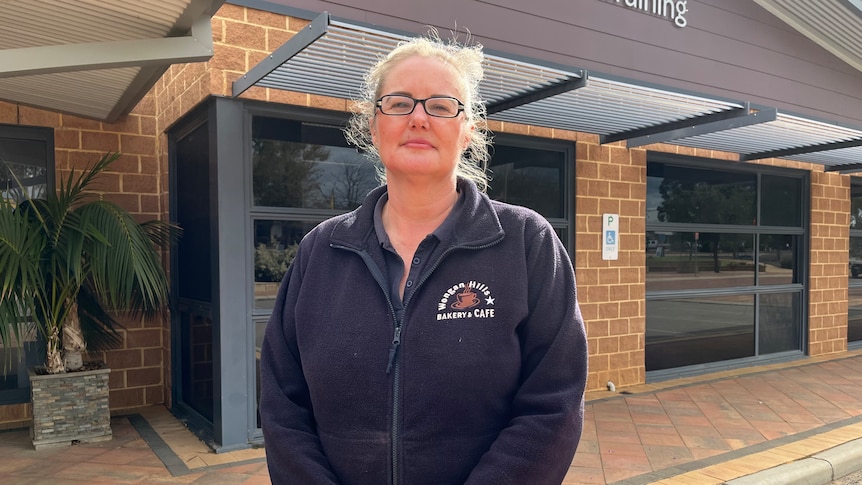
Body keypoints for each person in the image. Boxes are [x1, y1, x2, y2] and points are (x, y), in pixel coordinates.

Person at [259, 32, 588, 485]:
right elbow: (282, 406)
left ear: (468, 128)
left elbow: (554, 405)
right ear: (373, 126)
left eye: (440, 105)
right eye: (398, 103)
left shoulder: (527, 243)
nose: (418, 119)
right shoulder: (321, 251)